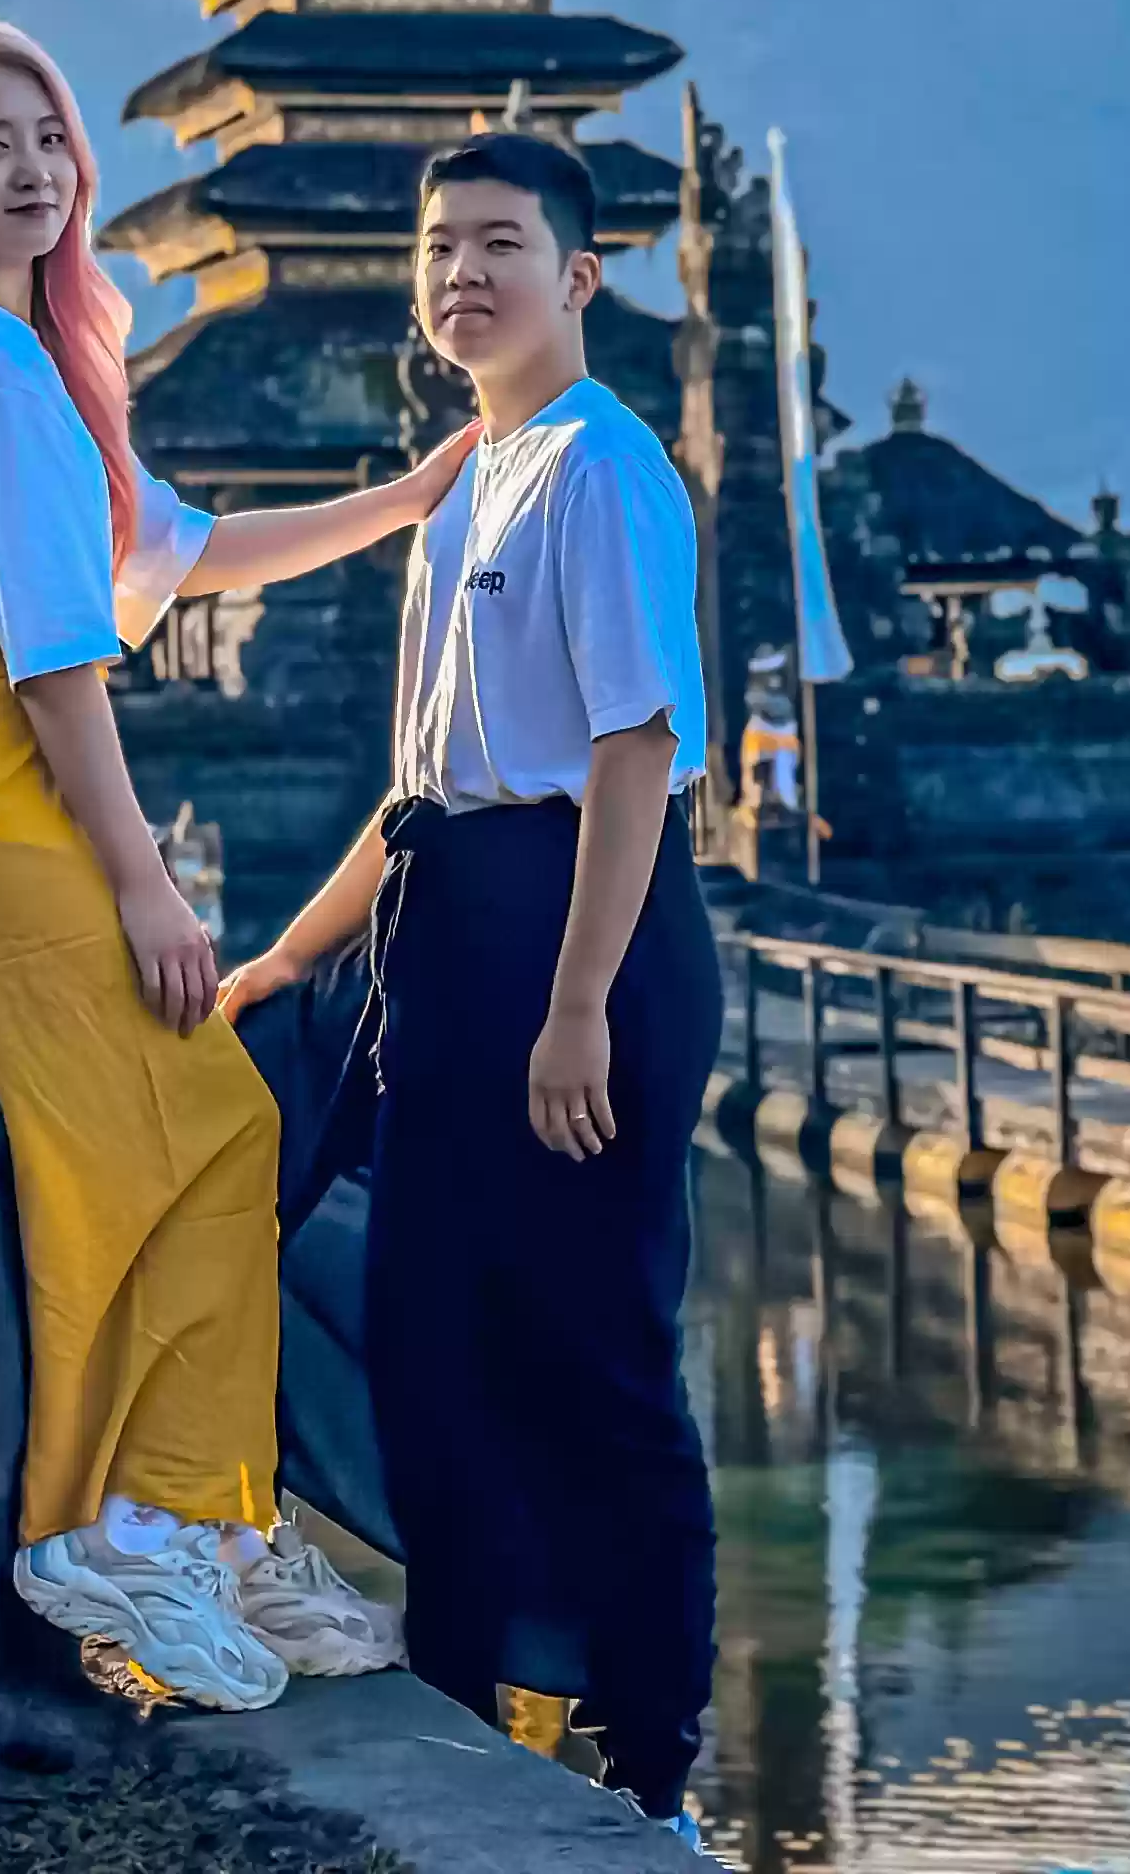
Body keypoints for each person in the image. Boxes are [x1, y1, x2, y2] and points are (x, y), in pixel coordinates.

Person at [0, 15, 472, 1712]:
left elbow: (182, 551)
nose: (28, 169)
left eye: (46, 138)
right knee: (142, 1126)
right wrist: (146, 886)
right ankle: (100, 1530)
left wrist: (408, 496)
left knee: (221, 1122)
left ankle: (209, 1518)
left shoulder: (26, 364)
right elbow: (50, 662)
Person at [219, 129, 721, 1830]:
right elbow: (422, 789)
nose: (461, 278)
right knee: (432, 1344)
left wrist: (578, 1004)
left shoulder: (603, 468)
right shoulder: (460, 491)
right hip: (443, 936)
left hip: (591, 933)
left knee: (599, 1356)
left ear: (580, 279)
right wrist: (291, 956)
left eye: (499, 245)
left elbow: (637, 750)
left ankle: (652, 1761)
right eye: (439, 249)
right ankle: (468, 1709)